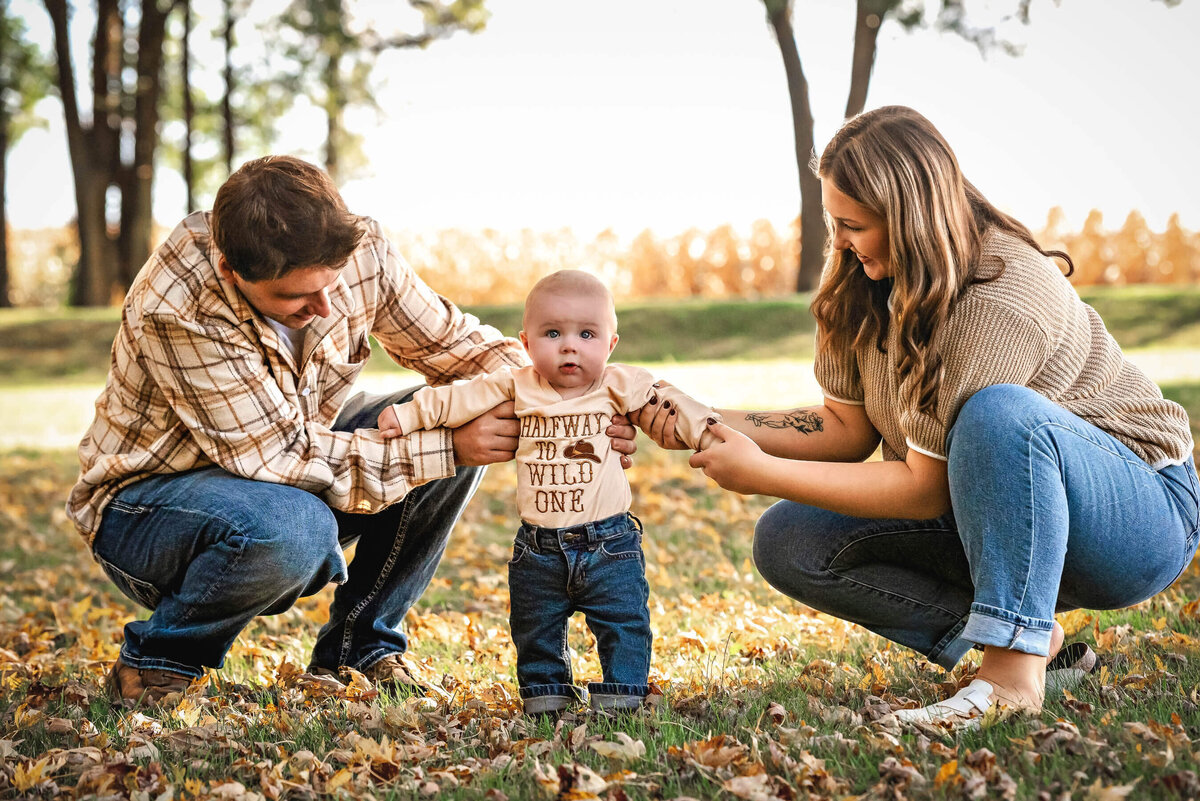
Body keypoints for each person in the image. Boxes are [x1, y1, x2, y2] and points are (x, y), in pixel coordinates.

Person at [637, 106, 1198, 730]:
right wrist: (709, 418)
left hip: (1137, 517)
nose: (841, 241)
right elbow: (844, 429)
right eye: (835, 223)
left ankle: (1011, 676)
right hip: (1000, 512)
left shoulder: (999, 296)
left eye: (853, 224)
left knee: (998, 414)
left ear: (907, 217)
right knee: (791, 541)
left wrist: (761, 470)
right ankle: (1042, 645)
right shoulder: (865, 277)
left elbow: (921, 487)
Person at [67, 156, 639, 707]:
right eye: (295, 296)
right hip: (150, 508)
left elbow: (456, 345)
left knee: (452, 412)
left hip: (285, 465)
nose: (323, 306)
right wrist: (446, 447)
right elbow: (280, 454)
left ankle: (359, 650)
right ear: (230, 271)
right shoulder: (180, 307)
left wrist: (566, 404)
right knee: (297, 528)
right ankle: (160, 662)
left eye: (332, 285)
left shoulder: (359, 251)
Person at [378, 270, 717, 714]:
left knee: (624, 621)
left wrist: (709, 433)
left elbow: (670, 403)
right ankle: (546, 693)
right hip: (538, 548)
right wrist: (407, 416)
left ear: (611, 343)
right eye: (552, 333)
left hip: (609, 543)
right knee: (535, 625)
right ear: (526, 341)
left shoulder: (619, 384)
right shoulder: (517, 385)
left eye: (587, 334)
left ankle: (623, 693)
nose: (569, 345)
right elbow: (458, 397)